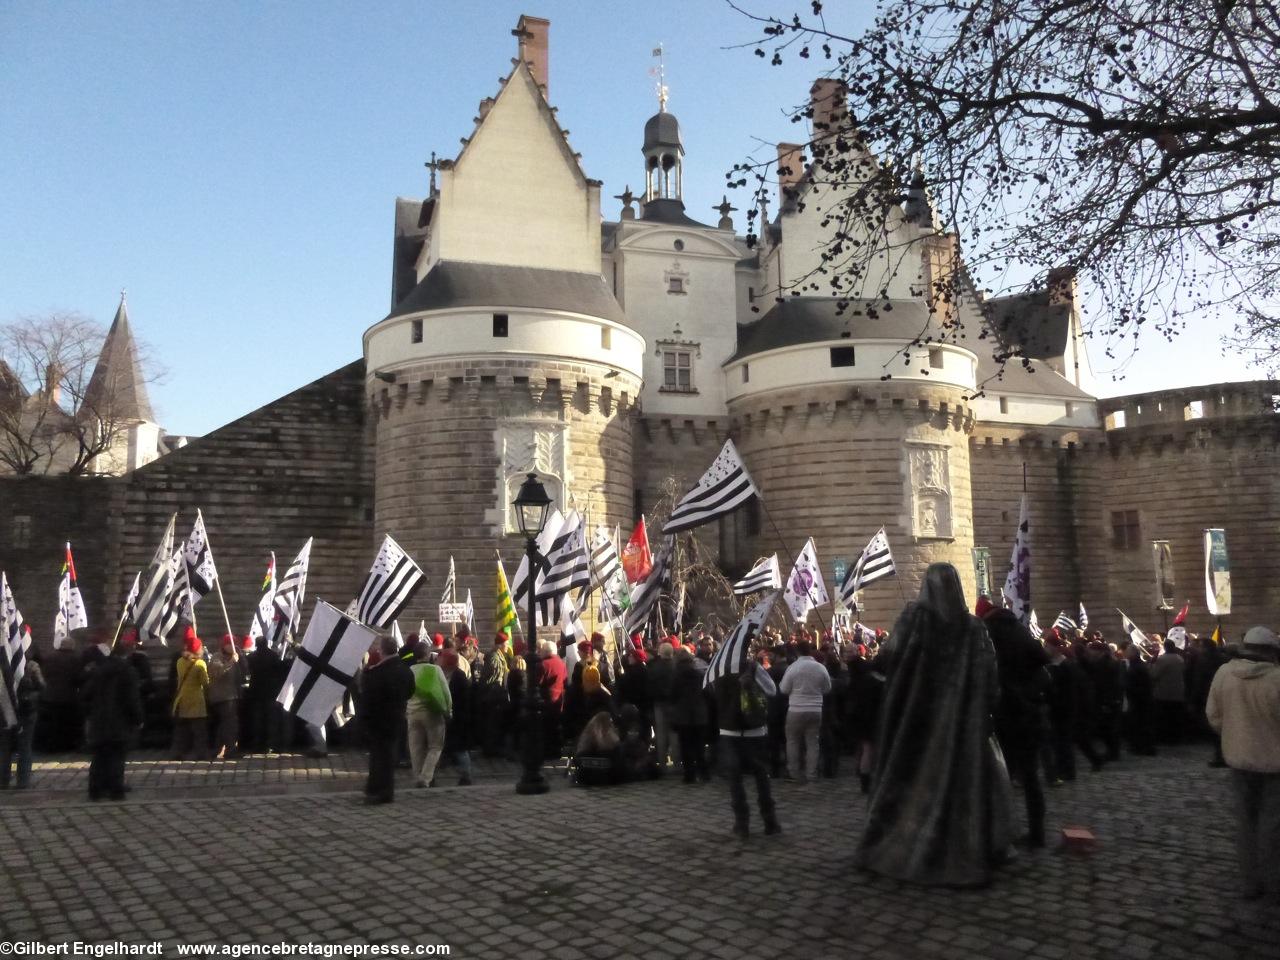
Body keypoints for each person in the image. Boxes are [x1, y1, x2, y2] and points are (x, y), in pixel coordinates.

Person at [856, 565, 1013, 887]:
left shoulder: (914, 622)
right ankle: (969, 846)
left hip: (916, 724)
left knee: (912, 783)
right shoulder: (973, 629)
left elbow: (886, 660)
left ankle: (910, 842)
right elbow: (991, 680)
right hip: (961, 727)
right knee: (964, 786)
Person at [1205, 626, 1280, 900]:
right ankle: (1273, 882)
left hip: (1238, 759)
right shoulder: (1277, 679)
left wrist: (1234, 735)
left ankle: (1250, 882)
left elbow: (1213, 716)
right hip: (1275, 765)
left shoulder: (1224, 673)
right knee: (1272, 826)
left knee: (1245, 823)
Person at [714, 654, 782, 839]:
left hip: (729, 730)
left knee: (736, 780)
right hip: (754, 729)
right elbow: (771, 690)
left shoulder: (718, 669)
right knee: (761, 776)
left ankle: (742, 824)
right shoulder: (751, 666)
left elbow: (712, 696)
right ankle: (770, 821)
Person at [79, 632, 143, 800]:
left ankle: (95, 791)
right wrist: (138, 718)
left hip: (99, 719)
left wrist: (91, 712)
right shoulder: (128, 672)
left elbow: (86, 694)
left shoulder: (98, 670)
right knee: (117, 757)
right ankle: (116, 790)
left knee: (99, 757)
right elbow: (131, 699)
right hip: (119, 721)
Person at [358, 635, 416, 804]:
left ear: (381, 651)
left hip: (379, 720)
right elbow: (410, 691)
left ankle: (381, 790)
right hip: (397, 718)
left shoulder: (378, 673)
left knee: (379, 757)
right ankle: (380, 789)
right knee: (388, 756)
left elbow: (368, 697)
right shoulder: (405, 670)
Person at [778, 638, 831, 784]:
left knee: (793, 741)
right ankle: (812, 773)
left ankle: (794, 773)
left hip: (796, 708)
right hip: (816, 709)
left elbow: (783, 689)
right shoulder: (820, 668)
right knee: (813, 742)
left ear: (797, 652)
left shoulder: (793, 667)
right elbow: (827, 688)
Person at [406, 641, 452, 788]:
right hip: (432, 712)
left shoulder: (409, 670)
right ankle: (425, 778)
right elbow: (446, 693)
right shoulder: (435, 670)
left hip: (412, 712)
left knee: (415, 747)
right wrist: (448, 710)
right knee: (435, 746)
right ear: (427, 654)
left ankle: (417, 775)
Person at [0, 646, 44, 789]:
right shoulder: (30, 666)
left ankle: (3, 779)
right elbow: (42, 686)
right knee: (23, 747)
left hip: (9, 710)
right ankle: (22, 781)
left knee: (5, 747)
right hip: (24, 711)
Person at [668, 646, 709, 783]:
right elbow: (707, 693)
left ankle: (689, 775)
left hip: (683, 715)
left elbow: (672, 695)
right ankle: (704, 773)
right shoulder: (699, 675)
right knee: (699, 746)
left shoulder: (675, 676)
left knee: (685, 747)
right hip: (699, 714)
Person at [170, 631, 211, 761]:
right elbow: (205, 683)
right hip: (196, 700)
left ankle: (178, 752)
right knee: (199, 731)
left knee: (182, 731)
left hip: (182, 698)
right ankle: (201, 753)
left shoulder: (180, 662)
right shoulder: (200, 664)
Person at [206, 634, 243, 760]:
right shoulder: (217, 657)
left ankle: (221, 749)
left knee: (228, 725)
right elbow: (217, 673)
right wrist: (231, 662)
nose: (232, 647)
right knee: (228, 725)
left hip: (233, 696)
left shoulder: (237, 656)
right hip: (222, 696)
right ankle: (229, 750)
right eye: (230, 644)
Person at [1150, 639, 1187, 744]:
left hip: (1164, 692)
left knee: (1164, 717)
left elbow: (1154, 675)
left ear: (1165, 647)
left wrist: (1151, 664)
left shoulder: (1163, 659)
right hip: (1178, 691)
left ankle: (1165, 738)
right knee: (1176, 717)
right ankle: (1176, 737)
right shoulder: (1180, 658)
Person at [480, 633, 511, 757]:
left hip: (496, 693)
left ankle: (492, 748)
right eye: (506, 643)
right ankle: (490, 749)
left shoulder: (498, 655)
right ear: (500, 644)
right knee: (491, 724)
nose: (508, 646)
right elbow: (493, 676)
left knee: (494, 723)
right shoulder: (494, 657)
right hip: (493, 694)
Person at [538, 639, 567, 759]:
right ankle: (556, 752)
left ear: (545, 651)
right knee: (555, 727)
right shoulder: (561, 663)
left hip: (546, 701)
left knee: (546, 729)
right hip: (559, 700)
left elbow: (537, 683)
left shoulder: (543, 664)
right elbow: (565, 681)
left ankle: (547, 753)